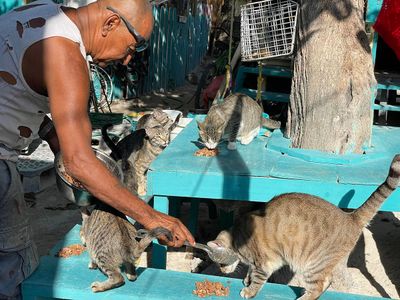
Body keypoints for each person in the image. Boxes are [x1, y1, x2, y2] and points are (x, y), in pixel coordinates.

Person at [0, 0, 195, 298]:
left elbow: (11, 92)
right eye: (134, 47)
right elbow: (79, 162)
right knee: (13, 273)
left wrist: (55, 139)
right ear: (110, 24)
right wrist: (153, 218)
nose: (129, 60)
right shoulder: (66, 56)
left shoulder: (43, 12)